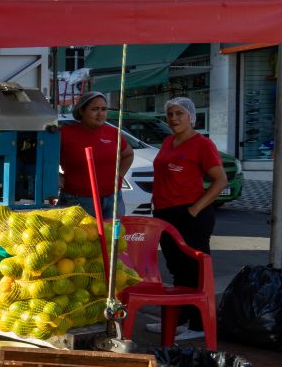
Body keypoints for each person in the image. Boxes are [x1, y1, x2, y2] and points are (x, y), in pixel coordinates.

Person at [145, 97, 226, 342]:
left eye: (179, 113)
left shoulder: (202, 144)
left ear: (191, 116)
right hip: (165, 212)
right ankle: (177, 320)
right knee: (176, 268)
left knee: (195, 270)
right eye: (170, 114)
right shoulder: (169, 141)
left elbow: (220, 180)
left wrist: (194, 209)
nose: (174, 118)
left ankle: (198, 323)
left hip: (190, 214)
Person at [59, 91, 134, 219]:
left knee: (114, 238)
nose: (100, 114)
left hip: (113, 198)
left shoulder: (113, 133)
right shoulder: (65, 134)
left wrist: (119, 177)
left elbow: (128, 155)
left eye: (104, 109)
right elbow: (43, 160)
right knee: (81, 239)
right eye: (95, 109)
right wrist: (56, 176)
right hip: (78, 200)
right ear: (81, 111)